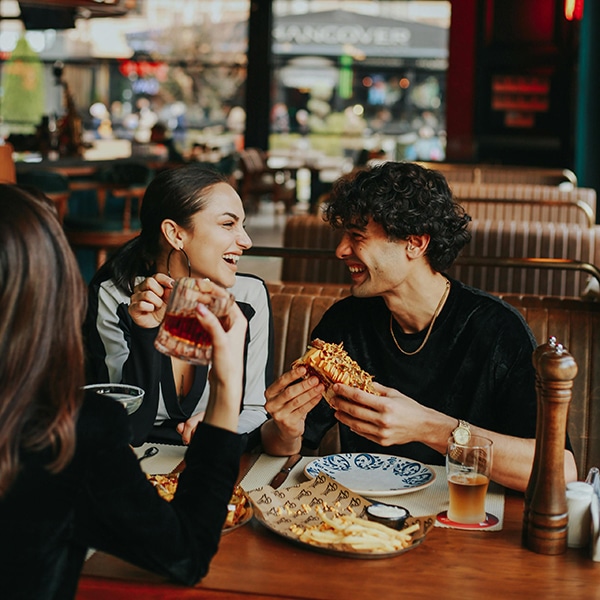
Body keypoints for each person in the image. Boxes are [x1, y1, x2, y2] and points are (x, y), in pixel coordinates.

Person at [261, 161, 577, 492]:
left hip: (466, 516)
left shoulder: (496, 330)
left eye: (357, 236)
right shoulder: (345, 323)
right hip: (363, 520)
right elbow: (286, 445)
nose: (341, 250)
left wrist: (429, 428)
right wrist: (285, 430)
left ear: (415, 243)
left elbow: (559, 469)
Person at [0, 184, 248, 599]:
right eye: (228, 224)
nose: (245, 240)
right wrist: (226, 386)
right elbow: (185, 553)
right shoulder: (69, 434)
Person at [84, 165, 273, 448]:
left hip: (218, 456)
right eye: (228, 224)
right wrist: (145, 332)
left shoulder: (248, 298)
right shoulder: (116, 299)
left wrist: (220, 425)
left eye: (242, 225)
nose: (246, 241)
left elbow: (255, 410)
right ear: (175, 234)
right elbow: (128, 427)